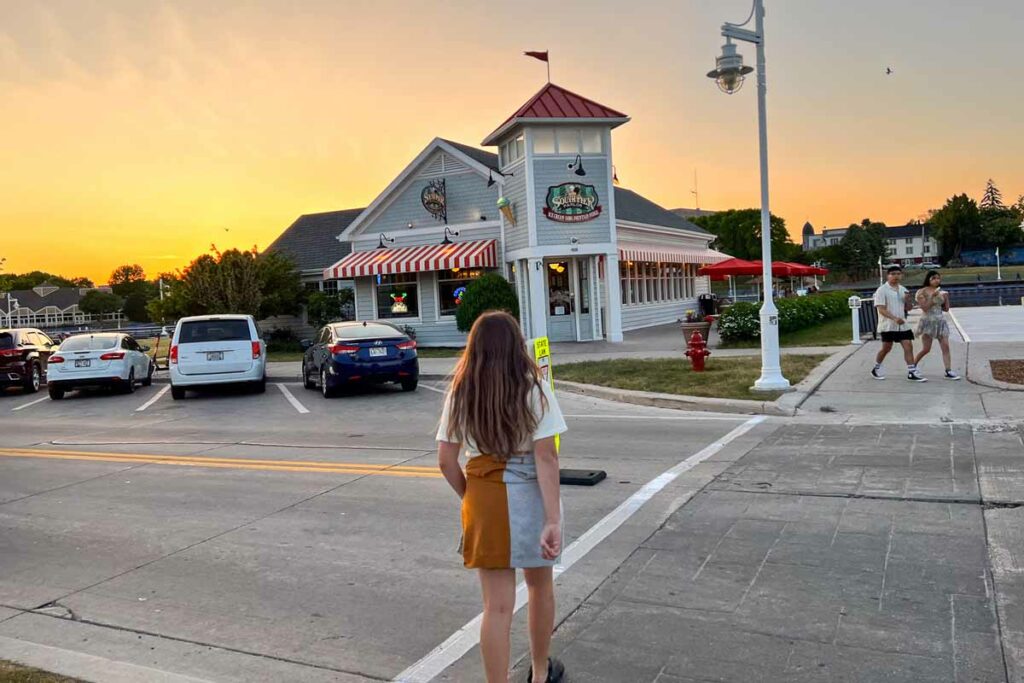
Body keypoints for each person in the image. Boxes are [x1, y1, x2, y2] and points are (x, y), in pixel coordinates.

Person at [436, 311, 567, 683]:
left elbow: (446, 460)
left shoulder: (461, 393)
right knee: (540, 588)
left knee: (496, 608)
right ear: (516, 346)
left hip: (484, 498)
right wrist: (553, 518)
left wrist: (470, 497)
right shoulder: (535, 390)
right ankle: (540, 673)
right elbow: (546, 456)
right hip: (531, 495)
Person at [871, 265, 927, 382]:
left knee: (908, 345)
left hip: (902, 325)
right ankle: (876, 368)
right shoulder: (882, 290)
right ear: (888, 276)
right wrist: (894, 318)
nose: (896, 276)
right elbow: (881, 309)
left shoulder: (903, 289)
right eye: (893, 274)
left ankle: (911, 371)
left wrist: (908, 300)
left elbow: (909, 308)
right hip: (888, 325)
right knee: (886, 348)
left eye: (898, 274)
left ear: (901, 275)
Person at [913, 270, 960, 380]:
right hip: (928, 322)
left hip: (940, 322)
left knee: (946, 347)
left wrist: (946, 298)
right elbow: (924, 307)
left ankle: (948, 371)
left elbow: (946, 309)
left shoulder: (941, 291)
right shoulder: (921, 292)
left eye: (938, 278)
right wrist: (933, 297)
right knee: (926, 349)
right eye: (933, 278)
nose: (936, 280)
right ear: (928, 279)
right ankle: (913, 366)